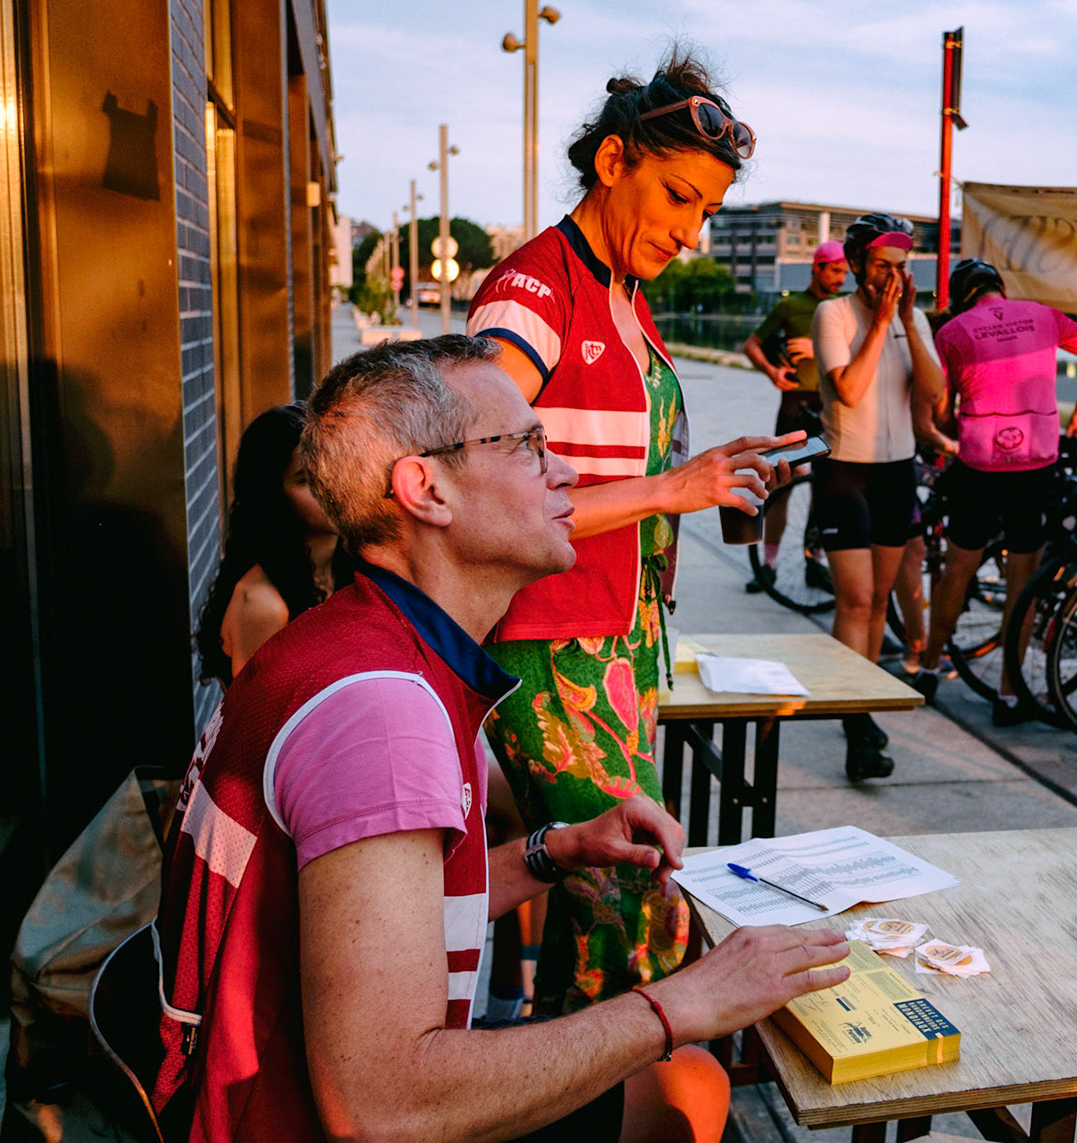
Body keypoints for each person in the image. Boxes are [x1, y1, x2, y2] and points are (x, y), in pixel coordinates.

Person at [152, 336, 849, 1143]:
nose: (565, 473)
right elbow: (383, 1106)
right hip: (300, 1115)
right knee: (687, 1082)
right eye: (524, 446)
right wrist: (683, 1002)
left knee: (681, 1082)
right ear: (426, 489)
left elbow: (374, 921)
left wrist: (554, 851)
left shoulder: (350, 642)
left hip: (256, 1095)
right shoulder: (382, 713)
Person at [465, 51, 801, 1017]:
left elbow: (606, 463)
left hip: (613, 634)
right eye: (677, 197)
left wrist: (701, 475)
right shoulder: (539, 290)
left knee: (606, 904)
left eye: (706, 212)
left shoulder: (617, 289)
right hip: (552, 641)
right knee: (634, 905)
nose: (689, 231)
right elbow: (482, 468)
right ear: (612, 161)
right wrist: (669, 489)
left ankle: (582, 1094)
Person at [913, 259, 1077, 725]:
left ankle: (927, 669)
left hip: (978, 465)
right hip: (1034, 467)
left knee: (957, 570)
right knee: (1023, 581)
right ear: (1001, 289)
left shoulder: (953, 332)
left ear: (961, 295)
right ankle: (1008, 695)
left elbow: (942, 414)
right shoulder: (1043, 316)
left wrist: (955, 423)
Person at [811, 212, 946, 780]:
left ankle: (859, 705)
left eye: (900, 267)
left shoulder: (908, 318)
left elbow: (935, 395)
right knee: (858, 601)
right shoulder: (833, 314)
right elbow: (847, 389)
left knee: (883, 593)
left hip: (895, 473)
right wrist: (881, 320)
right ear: (859, 265)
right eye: (881, 266)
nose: (891, 276)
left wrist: (909, 324)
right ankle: (856, 722)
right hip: (845, 471)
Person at [194, 404, 339, 686]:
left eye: (335, 467)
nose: (331, 488)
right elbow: (261, 726)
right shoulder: (263, 604)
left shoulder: (352, 564)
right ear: (273, 496)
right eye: (306, 479)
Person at [742, 239, 847, 570]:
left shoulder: (845, 308)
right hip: (794, 406)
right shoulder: (791, 307)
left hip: (831, 408)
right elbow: (752, 345)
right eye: (835, 271)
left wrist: (819, 348)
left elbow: (859, 353)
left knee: (825, 489)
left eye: (845, 272)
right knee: (783, 485)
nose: (841, 279)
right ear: (817, 267)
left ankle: (814, 559)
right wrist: (772, 371)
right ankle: (770, 564)